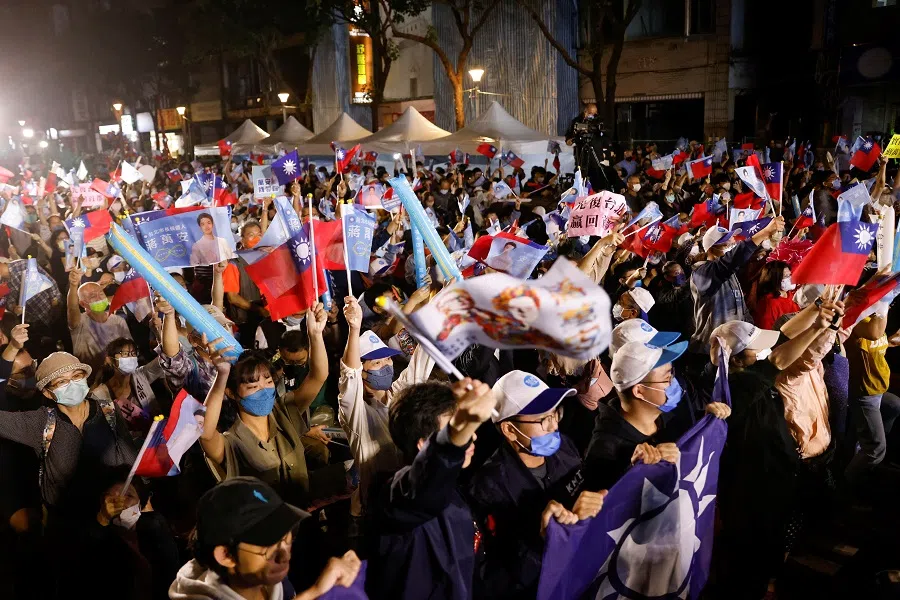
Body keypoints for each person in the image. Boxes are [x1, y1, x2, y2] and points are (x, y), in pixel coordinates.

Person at [466, 370, 605, 599]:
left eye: (555, 414)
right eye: (542, 419)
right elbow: (492, 579)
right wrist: (543, 541)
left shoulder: (565, 448)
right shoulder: (487, 488)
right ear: (510, 430)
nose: (553, 426)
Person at [365, 379, 503, 599]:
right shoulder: (395, 497)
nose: (471, 435)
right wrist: (459, 428)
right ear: (425, 445)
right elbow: (426, 482)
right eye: (453, 429)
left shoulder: (456, 489)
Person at [199, 303, 342, 508]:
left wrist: (315, 335)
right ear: (232, 393)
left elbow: (318, 376)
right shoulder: (233, 442)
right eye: (253, 386)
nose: (264, 390)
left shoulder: (283, 413)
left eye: (267, 381)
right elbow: (205, 434)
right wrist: (222, 374)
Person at [171, 477, 362, 600]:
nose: (284, 556)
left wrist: (319, 591)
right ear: (226, 555)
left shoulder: (272, 582)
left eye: (286, 539)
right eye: (268, 547)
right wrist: (315, 593)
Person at [338, 295, 435, 516]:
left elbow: (423, 356)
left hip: (412, 494)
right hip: (379, 506)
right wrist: (354, 329)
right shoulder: (357, 413)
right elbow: (349, 375)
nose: (386, 365)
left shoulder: (399, 395)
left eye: (387, 359)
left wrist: (441, 302)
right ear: (362, 371)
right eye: (376, 362)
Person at [584, 339, 711, 491]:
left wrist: (709, 418)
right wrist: (632, 472)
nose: (674, 383)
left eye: (672, 374)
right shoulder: (603, 451)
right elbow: (607, 501)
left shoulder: (668, 414)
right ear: (639, 391)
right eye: (667, 379)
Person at [688, 216, 784, 355]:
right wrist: (763, 233)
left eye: (732, 242)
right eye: (726, 245)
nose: (731, 245)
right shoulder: (702, 274)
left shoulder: (730, 273)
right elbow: (731, 261)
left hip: (734, 345)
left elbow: (741, 307)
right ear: (710, 249)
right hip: (712, 350)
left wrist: (750, 332)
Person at [92, 337, 167, 438]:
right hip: (131, 445)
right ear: (109, 360)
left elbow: (166, 358)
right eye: (125, 354)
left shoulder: (141, 375)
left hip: (158, 435)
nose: (130, 358)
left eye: (133, 353)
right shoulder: (100, 394)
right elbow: (110, 431)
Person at [67, 268, 133, 370]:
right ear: (83, 304)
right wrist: (73, 285)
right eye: (93, 296)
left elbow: (129, 348)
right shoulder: (80, 322)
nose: (99, 298)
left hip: (118, 373)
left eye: (101, 293)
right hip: (92, 376)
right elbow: (72, 308)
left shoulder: (118, 321)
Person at [752, 260, 800, 330]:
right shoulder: (769, 304)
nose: (790, 278)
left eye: (790, 275)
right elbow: (766, 330)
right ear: (775, 279)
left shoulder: (790, 294)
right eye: (786, 276)